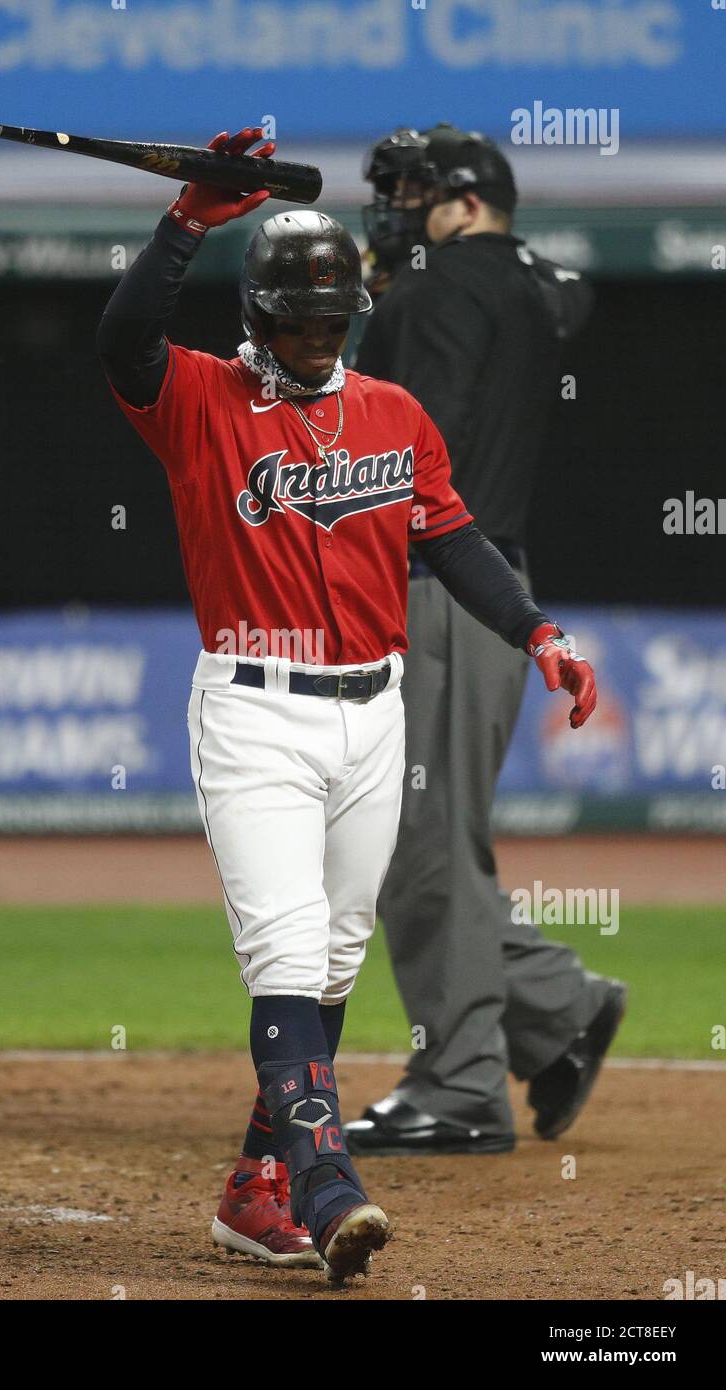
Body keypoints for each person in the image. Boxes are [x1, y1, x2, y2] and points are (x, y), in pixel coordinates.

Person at [96, 126, 597, 1279]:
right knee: (281, 949)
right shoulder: (202, 400)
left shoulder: (387, 410)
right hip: (257, 706)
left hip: (374, 715)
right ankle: (322, 1181)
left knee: (331, 960)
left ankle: (249, 1192)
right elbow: (122, 340)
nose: (317, 342)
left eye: (333, 323)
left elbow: (457, 539)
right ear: (256, 319)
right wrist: (185, 225)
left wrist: (538, 630)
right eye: (297, 323)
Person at [344, 124, 625, 1159]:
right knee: (420, 843)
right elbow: (565, 290)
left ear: (465, 203)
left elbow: (415, 450)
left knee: (418, 845)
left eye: (412, 194)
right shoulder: (525, 280)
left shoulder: (434, 290)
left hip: (437, 590)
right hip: (487, 586)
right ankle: (557, 1008)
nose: (394, 212)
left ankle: (460, 1082)